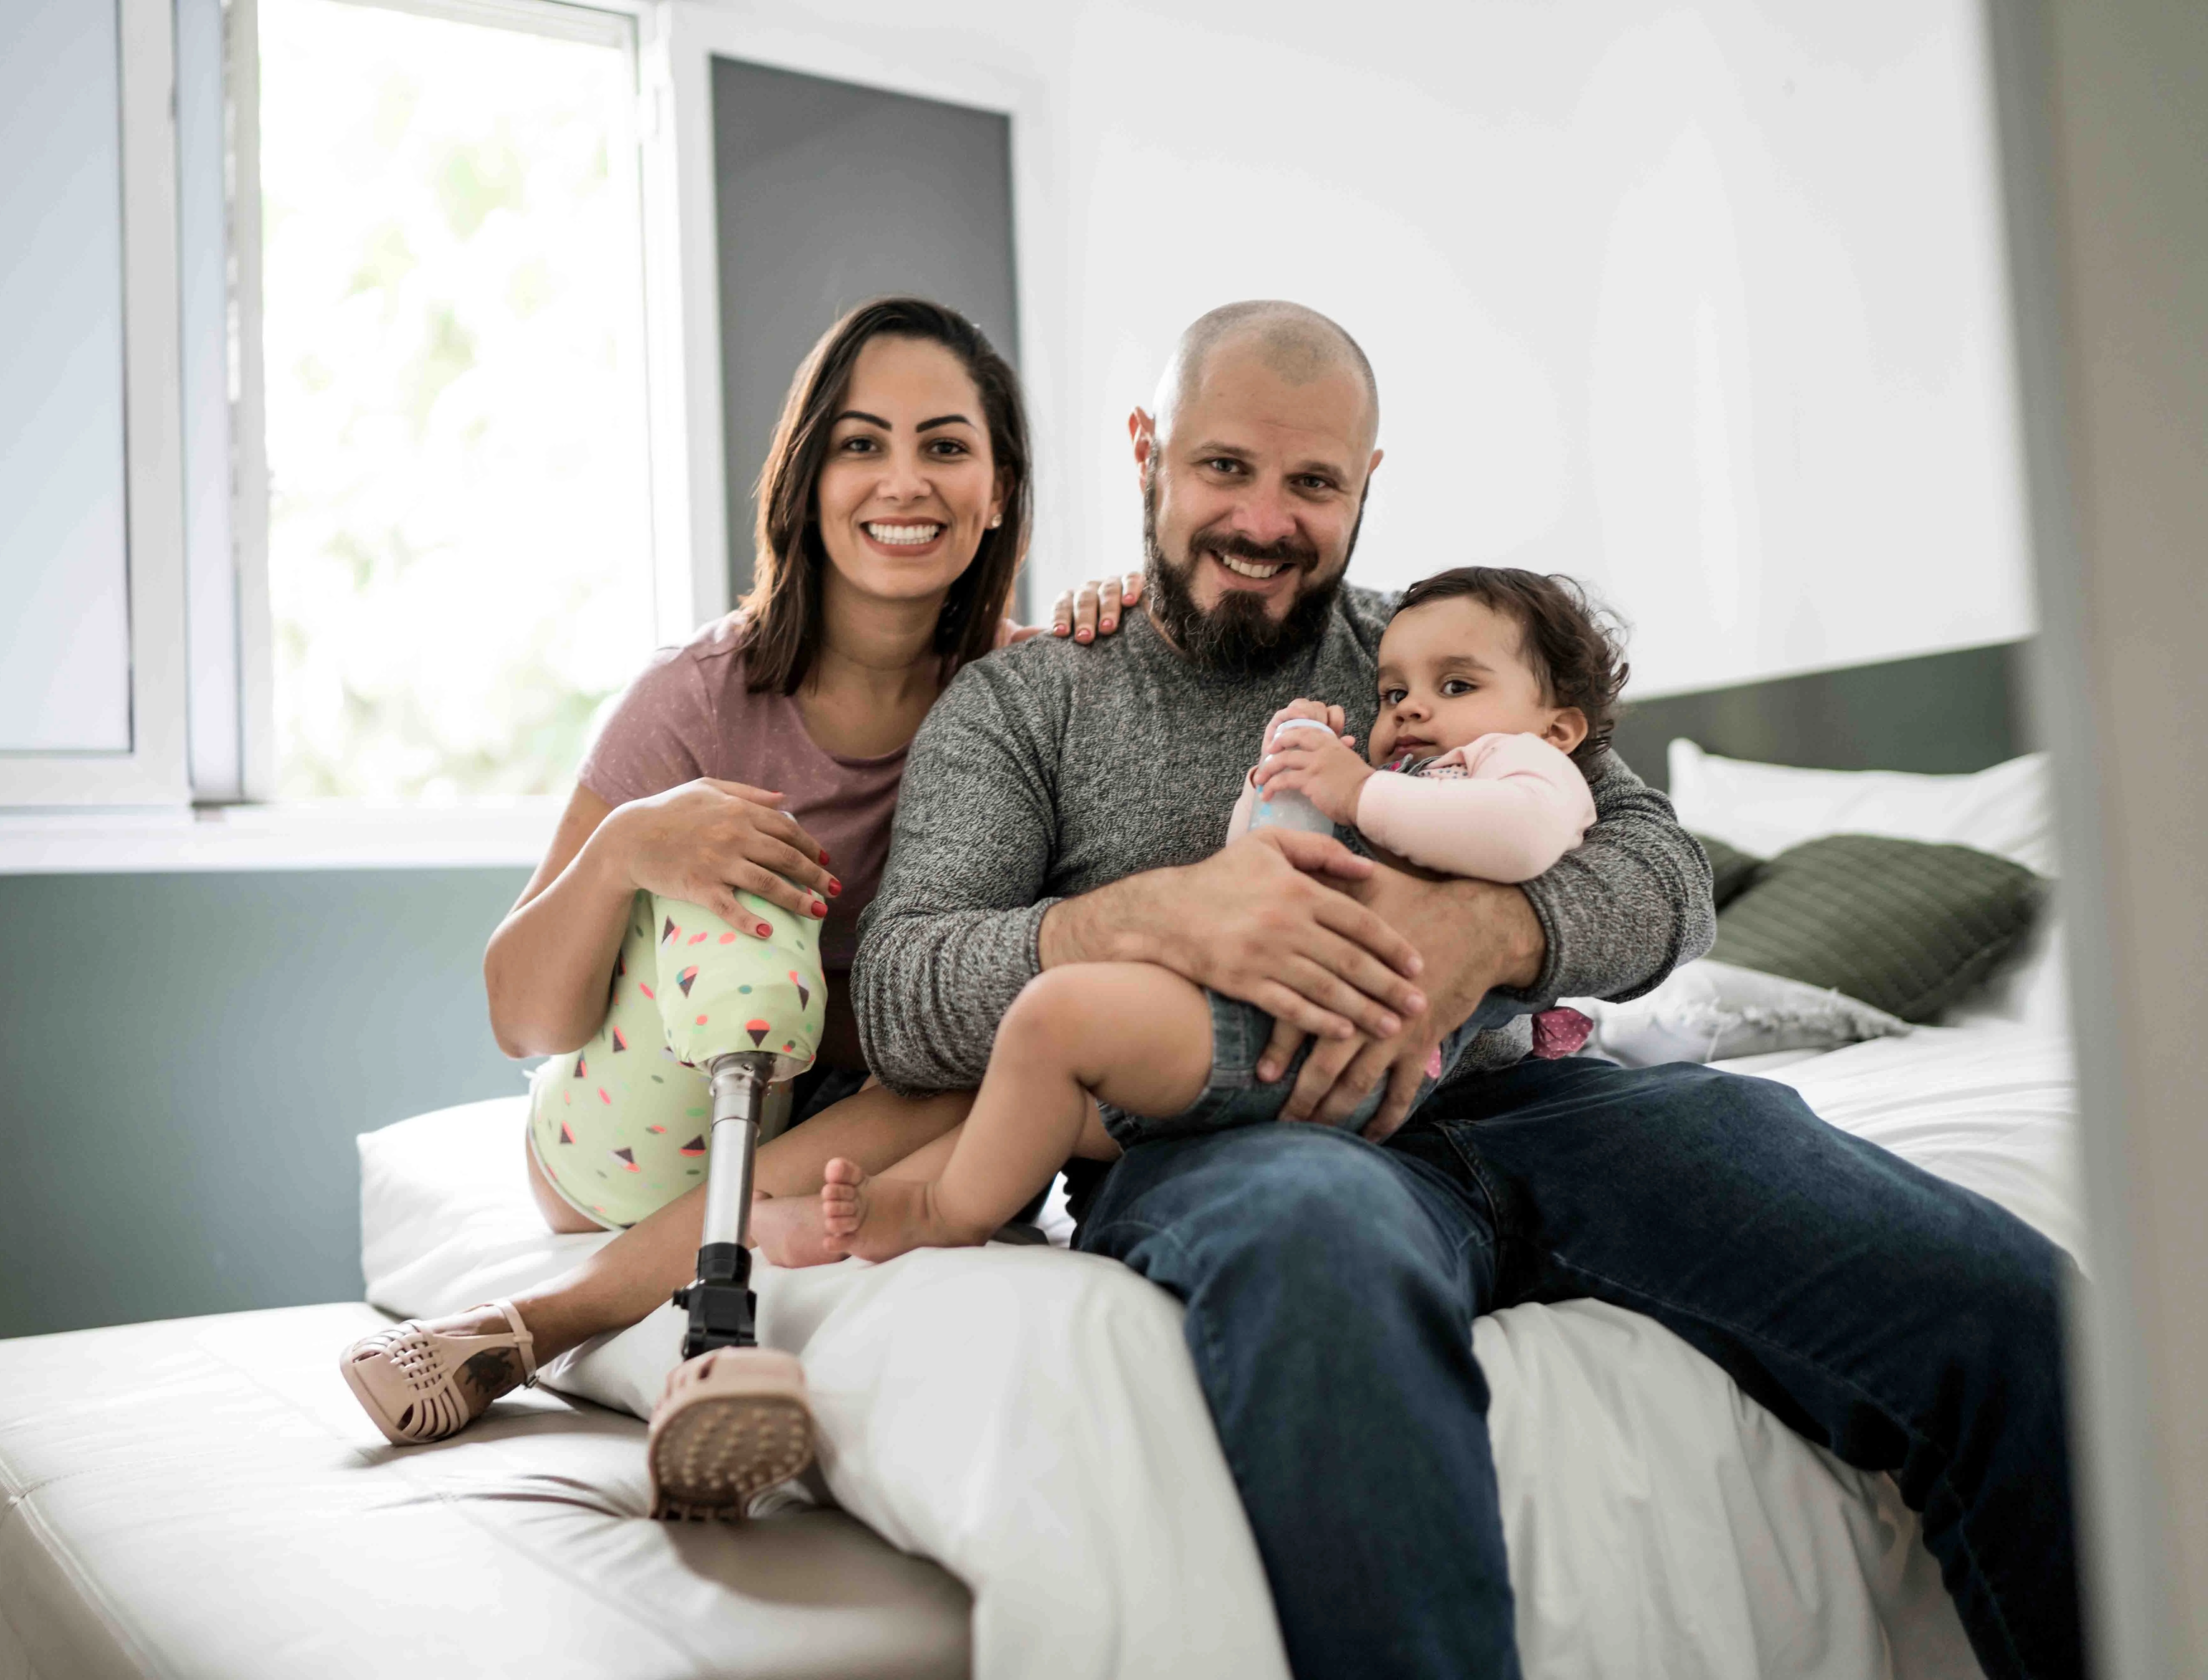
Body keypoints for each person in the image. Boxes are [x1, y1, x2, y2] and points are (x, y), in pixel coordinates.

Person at [851, 299, 2085, 1680]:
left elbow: (1661, 878)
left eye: (1312, 482)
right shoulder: (1027, 703)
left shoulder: (1435, 650)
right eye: (1223, 469)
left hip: (1554, 1105)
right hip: (1249, 1139)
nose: (1264, 520)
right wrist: (1156, 918)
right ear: (1146, 451)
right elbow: (903, 986)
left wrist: (1488, 938)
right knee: (1318, 1281)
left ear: (1365, 486)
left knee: (2012, 1310)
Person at [335, 297, 1142, 1509]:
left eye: (945, 446)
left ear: (998, 490)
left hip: (866, 1121)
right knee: (751, 877)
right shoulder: (699, 695)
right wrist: (625, 851)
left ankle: (617, 1340)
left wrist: (1129, 636)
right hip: (644, 1129)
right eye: (861, 443)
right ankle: (548, 1321)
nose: (903, 481)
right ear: (806, 477)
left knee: (1007, 1036)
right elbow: (522, 1021)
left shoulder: (1029, 697)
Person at [812, 566, 1616, 1263]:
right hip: (1274, 1026)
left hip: (1337, 1044)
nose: (1408, 711)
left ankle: (943, 1212)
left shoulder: (1520, 767)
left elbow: (1520, 841)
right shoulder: (1413, 777)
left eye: (1455, 687)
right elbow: (1254, 867)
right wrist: (1277, 786)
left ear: (1560, 727)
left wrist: (1360, 791)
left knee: (1054, 1022)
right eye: (1393, 692)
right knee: (1053, 1101)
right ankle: (902, 1207)